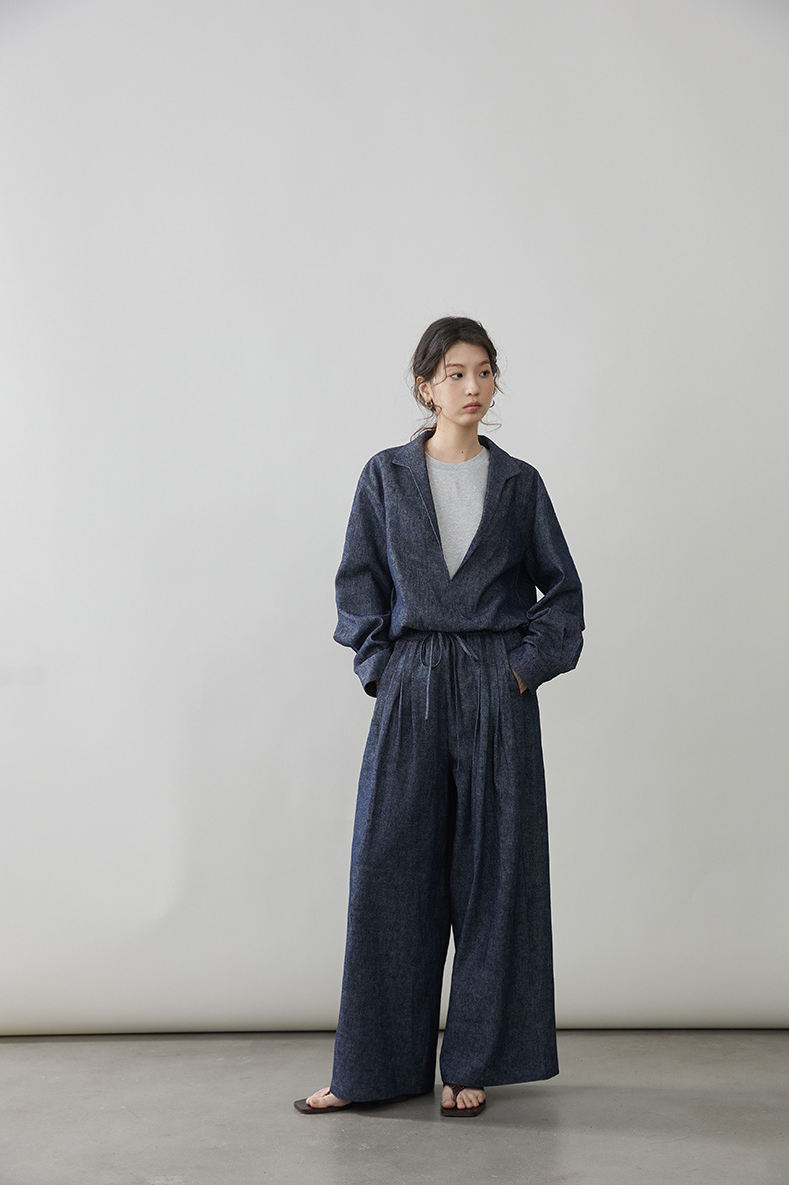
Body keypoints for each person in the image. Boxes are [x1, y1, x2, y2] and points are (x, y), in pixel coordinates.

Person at [294, 316, 584, 1118]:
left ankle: (471, 1063)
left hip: (496, 686)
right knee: (388, 871)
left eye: (484, 371)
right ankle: (370, 1070)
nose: (472, 386)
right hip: (412, 684)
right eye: (455, 372)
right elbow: (358, 585)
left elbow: (563, 596)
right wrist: (383, 669)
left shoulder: (519, 484)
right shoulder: (386, 477)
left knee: (495, 875)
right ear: (426, 386)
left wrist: (520, 671)